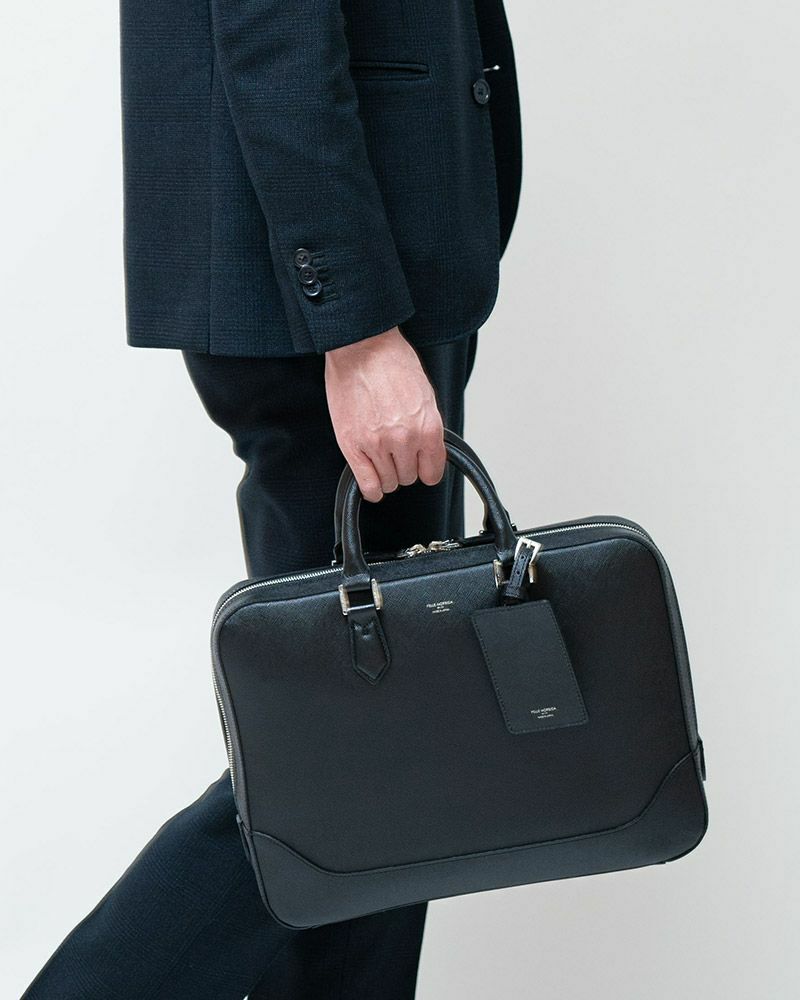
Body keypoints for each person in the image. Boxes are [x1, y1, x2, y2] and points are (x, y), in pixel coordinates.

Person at [23, 0, 521, 996]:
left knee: (384, 759)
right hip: (333, 295)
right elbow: (270, 27)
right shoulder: (352, 321)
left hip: (372, 269)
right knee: (345, 746)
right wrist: (357, 329)